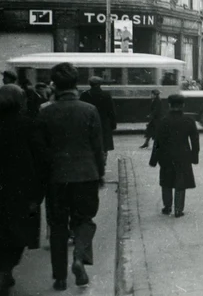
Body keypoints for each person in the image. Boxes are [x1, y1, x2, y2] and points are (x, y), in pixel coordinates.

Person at [37, 63, 104, 291]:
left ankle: (60, 278)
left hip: (56, 178)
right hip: (86, 175)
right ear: (76, 84)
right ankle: (79, 258)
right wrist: (100, 174)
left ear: (54, 85)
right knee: (84, 220)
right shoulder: (89, 110)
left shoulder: (45, 112)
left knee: (57, 227)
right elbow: (98, 147)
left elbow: (41, 150)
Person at [0, 85, 46, 295]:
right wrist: (39, 192)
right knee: (17, 234)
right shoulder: (28, 125)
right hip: (19, 191)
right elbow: (40, 160)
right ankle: (6, 268)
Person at [149, 94, 199, 218]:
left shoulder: (163, 120)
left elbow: (157, 141)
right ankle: (178, 209)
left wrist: (154, 160)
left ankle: (167, 207)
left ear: (169, 105)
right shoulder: (189, 120)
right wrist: (194, 157)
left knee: (166, 181)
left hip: (165, 155)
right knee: (180, 181)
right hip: (183, 155)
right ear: (183, 105)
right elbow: (195, 141)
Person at [80, 76, 117, 170]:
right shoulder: (106, 95)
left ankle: (93, 162)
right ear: (100, 84)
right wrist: (113, 124)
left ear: (90, 84)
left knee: (91, 142)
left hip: (89, 122)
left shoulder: (85, 95)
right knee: (104, 143)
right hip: (103, 123)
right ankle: (103, 161)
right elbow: (111, 111)